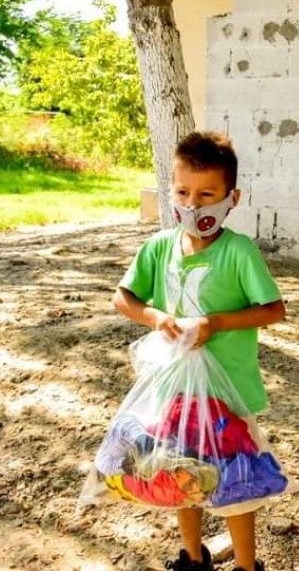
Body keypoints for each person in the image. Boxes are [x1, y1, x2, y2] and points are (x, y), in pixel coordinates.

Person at [114, 131, 286, 571]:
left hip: (227, 392)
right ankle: (192, 558)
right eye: (183, 193)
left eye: (207, 194)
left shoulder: (238, 251)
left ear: (232, 197)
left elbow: (273, 310)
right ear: (170, 192)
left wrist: (217, 323)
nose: (194, 205)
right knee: (180, 474)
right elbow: (123, 299)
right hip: (173, 391)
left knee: (236, 479)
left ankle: (247, 565)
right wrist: (157, 318)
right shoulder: (158, 248)